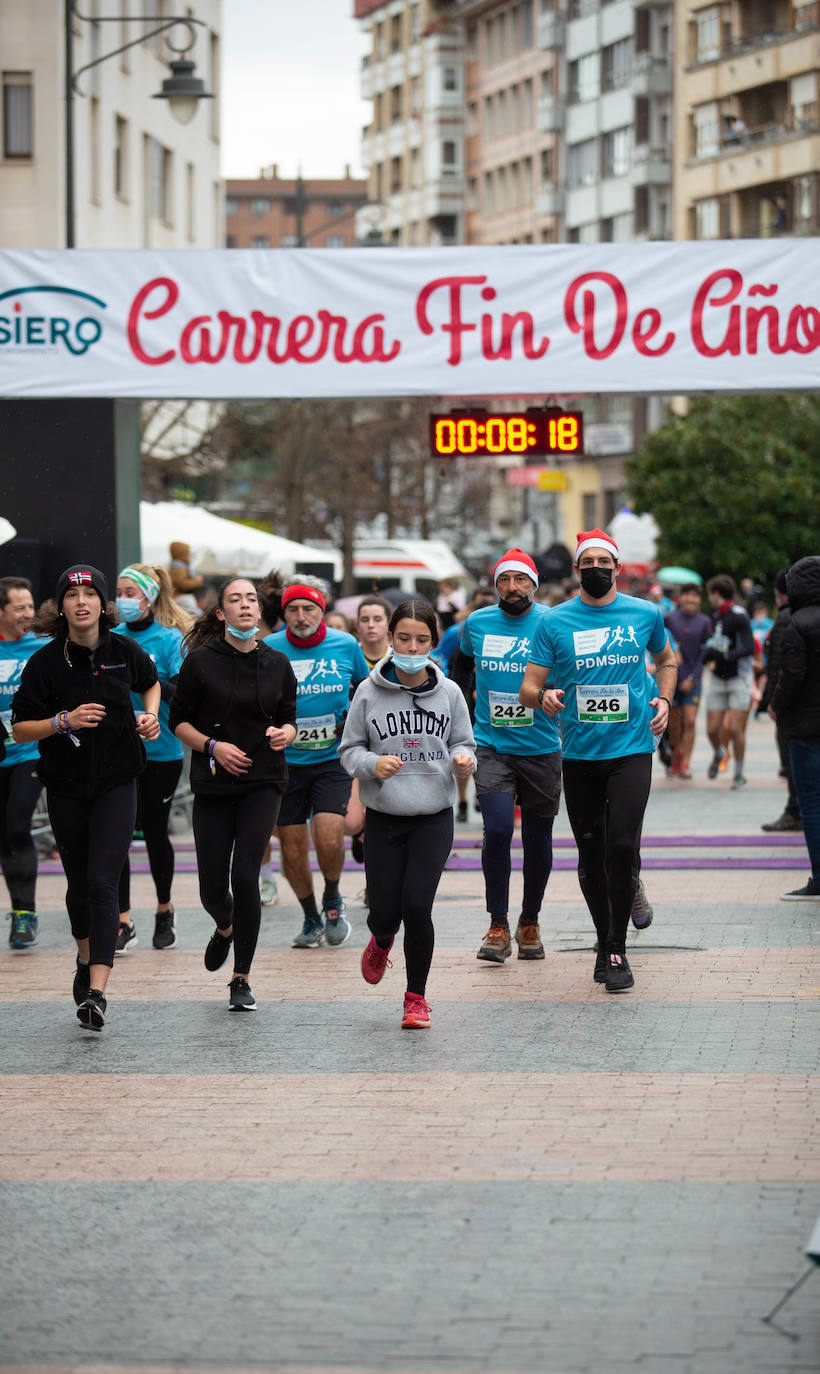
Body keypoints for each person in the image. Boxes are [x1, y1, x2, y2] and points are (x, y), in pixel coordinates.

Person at [520, 529, 678, 993]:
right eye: (586, 562)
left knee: (622, 846)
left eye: (602, 561)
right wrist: (544, 696)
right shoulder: (554, 622)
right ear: (576, 570)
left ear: (617, 567)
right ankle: (602, 935)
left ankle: (615, 948)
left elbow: (667, 659)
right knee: (591, 856)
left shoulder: (644, 613)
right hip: (581, 754)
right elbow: (530, 686)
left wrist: (665, 700)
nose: (594, 568)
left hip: (631, 749)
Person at [11, 565, 160, 1031]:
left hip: (118, 780)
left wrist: (150, 717)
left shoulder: (124, 650)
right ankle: (84, 958)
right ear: (61, 606)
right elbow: (18, 730)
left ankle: (97, 991)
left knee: (102, 883)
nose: (81, 602)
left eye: (90, 594)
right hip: (66, 785)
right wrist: (63, 721)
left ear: (102, 603)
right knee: (79, 884)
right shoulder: (45, 662)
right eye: (72, 595)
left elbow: (150, 682)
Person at [339, 600, 475, 1029]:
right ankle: (381, 940)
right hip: (384, 815)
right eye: (403, 638)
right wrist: (371, 765)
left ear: (434, 643)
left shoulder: (450, 693)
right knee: (385, 912)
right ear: (389, 639)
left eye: (421, 639)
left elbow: (466, 744)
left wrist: (463, 759)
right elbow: (348, 750)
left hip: (433, 814)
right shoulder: (368, 690)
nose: (412, 646)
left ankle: (416, 998)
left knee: (417, 906)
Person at [169, 578, 297, 1010]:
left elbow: (289, 719)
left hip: (264, 780)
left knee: (246, 877)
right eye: (235, 599)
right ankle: (224, 926)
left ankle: (241, 977)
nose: (245, 605)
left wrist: (286, 734)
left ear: (259, 612)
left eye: (251, 600)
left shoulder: (278, 662)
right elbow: (179, 722)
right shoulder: (201, 662)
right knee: (211, 890)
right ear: (221, 613)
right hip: (214, 782)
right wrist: (213, 746)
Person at [451, 548, 561, 964]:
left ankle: (529, 919)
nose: (512, 588)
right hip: (492, 745)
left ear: (534, 583)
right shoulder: (477, 623)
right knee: (497, 830)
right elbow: (458, 667)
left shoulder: (552, 621)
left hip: (542, 748)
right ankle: (498, 923)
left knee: (538, 840)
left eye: (520, 580)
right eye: (504, 580)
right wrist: (459, 710)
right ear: (495, 584)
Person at [264, 579, 369, 948]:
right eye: (292, 609)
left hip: (331, 758)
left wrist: (354, 725)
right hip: (284, 762)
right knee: (292, 845)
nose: (300, 616)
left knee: (327, 831)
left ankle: (333, 898)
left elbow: (365, 689)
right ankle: (310, 915)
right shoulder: (270, 648)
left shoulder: (345, 645)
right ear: (284, 614)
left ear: (322, 611)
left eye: (308, 608)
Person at [113, 563, 191, 953]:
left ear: (149, 598)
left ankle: (164, 910)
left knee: (156, 832)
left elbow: (183, 691)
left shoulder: (168, 639)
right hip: (117, 750)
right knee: (119, 834)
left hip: (161, 751)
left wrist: (144, 679)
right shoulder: (109, 638)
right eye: (119, 592)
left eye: (131, 593)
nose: (123, 600)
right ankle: (123, 920)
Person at [0, 577, 49, 948]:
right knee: (5, 832)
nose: (28, 614)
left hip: (30, 752)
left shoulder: (43, 647)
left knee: (18, 824)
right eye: (19, 607)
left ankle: (26, 913)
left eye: (30, 605)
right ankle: (18, 912)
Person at [769, 556, 820, 901]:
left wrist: (775, 704)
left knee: (812, 804)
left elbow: (792, 675)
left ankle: (819, 878)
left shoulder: (794, 622)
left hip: (805, 727)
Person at [703, 575, 756, 790]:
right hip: (718, 678)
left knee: (735, 729)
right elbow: (710, 643)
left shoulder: (740, 615)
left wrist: (727, 656)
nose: (709, 598)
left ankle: (739, 773)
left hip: (739, 677)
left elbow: (750, 647)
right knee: (712, 729)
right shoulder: (713, 615)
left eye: (710, 594)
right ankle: (719, 752)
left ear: (716, 594)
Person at [760, 569, 802, 832]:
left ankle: (794, 811)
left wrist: (772, 702)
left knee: (793, 762)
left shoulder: (787, 619)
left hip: (793, 709)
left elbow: (780, 667)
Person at [663, 584, 711, 778]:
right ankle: (676, 754)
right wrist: (678, 677)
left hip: (694, 680)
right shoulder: (669, 619)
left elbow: (704, 653)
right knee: (674, 723)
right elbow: (664, 648)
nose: (690, 599)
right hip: (673, 680)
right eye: (687, 595)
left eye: (694, 596)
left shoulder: (705, 622)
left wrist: (693, 678)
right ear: (680, 597)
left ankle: (685, 763)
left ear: (699, 599)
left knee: (690, 721)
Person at [355, 596, 392, 668]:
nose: (370, 625)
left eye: (378, 619)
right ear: (357, 626)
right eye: (365, 620)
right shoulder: (349, 655)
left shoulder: (399, 656)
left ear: (389, 624)